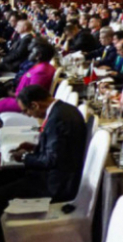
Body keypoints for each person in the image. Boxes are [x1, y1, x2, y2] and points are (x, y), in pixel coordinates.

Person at [0, 85, 87, 215]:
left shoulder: (58, 119)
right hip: (57, 175)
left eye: (26, 111)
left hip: (55, 185)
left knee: (2, 192)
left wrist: (24, 157)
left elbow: (51, 160)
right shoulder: (64, 110)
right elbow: (60, 150)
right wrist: (35, 147)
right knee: (5, 177)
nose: (28, 115)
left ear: (35, 105)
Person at [0, 41, 56, 113]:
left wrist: (12, 94)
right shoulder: (41, 66)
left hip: (23, 103)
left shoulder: (41, 71)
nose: (29, 54)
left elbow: (32, 95)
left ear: (38, 55)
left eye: (32, 52)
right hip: (19, 96)